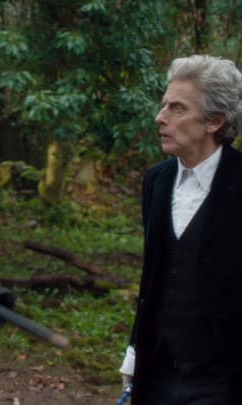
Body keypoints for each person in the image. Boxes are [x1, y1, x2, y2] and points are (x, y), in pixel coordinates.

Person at [119, 55, 242, 404]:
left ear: (214, 120)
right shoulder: (156, 181)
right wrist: (134, 352)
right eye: (164, 106)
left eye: (177, 109)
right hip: (156, 374)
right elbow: (152, 276)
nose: (160, 117)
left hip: (224, 381)